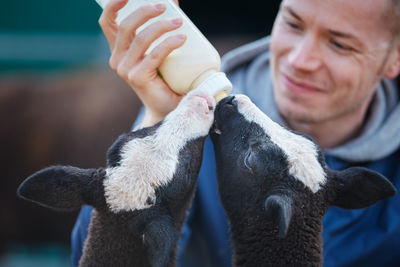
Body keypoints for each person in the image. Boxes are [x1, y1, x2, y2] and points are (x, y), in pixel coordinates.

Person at [71, 0, 400, 266]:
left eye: (340, 44)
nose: (300, 60)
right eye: (293, 24)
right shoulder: (197, 116)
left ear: (394, 56)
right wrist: (161, 122)